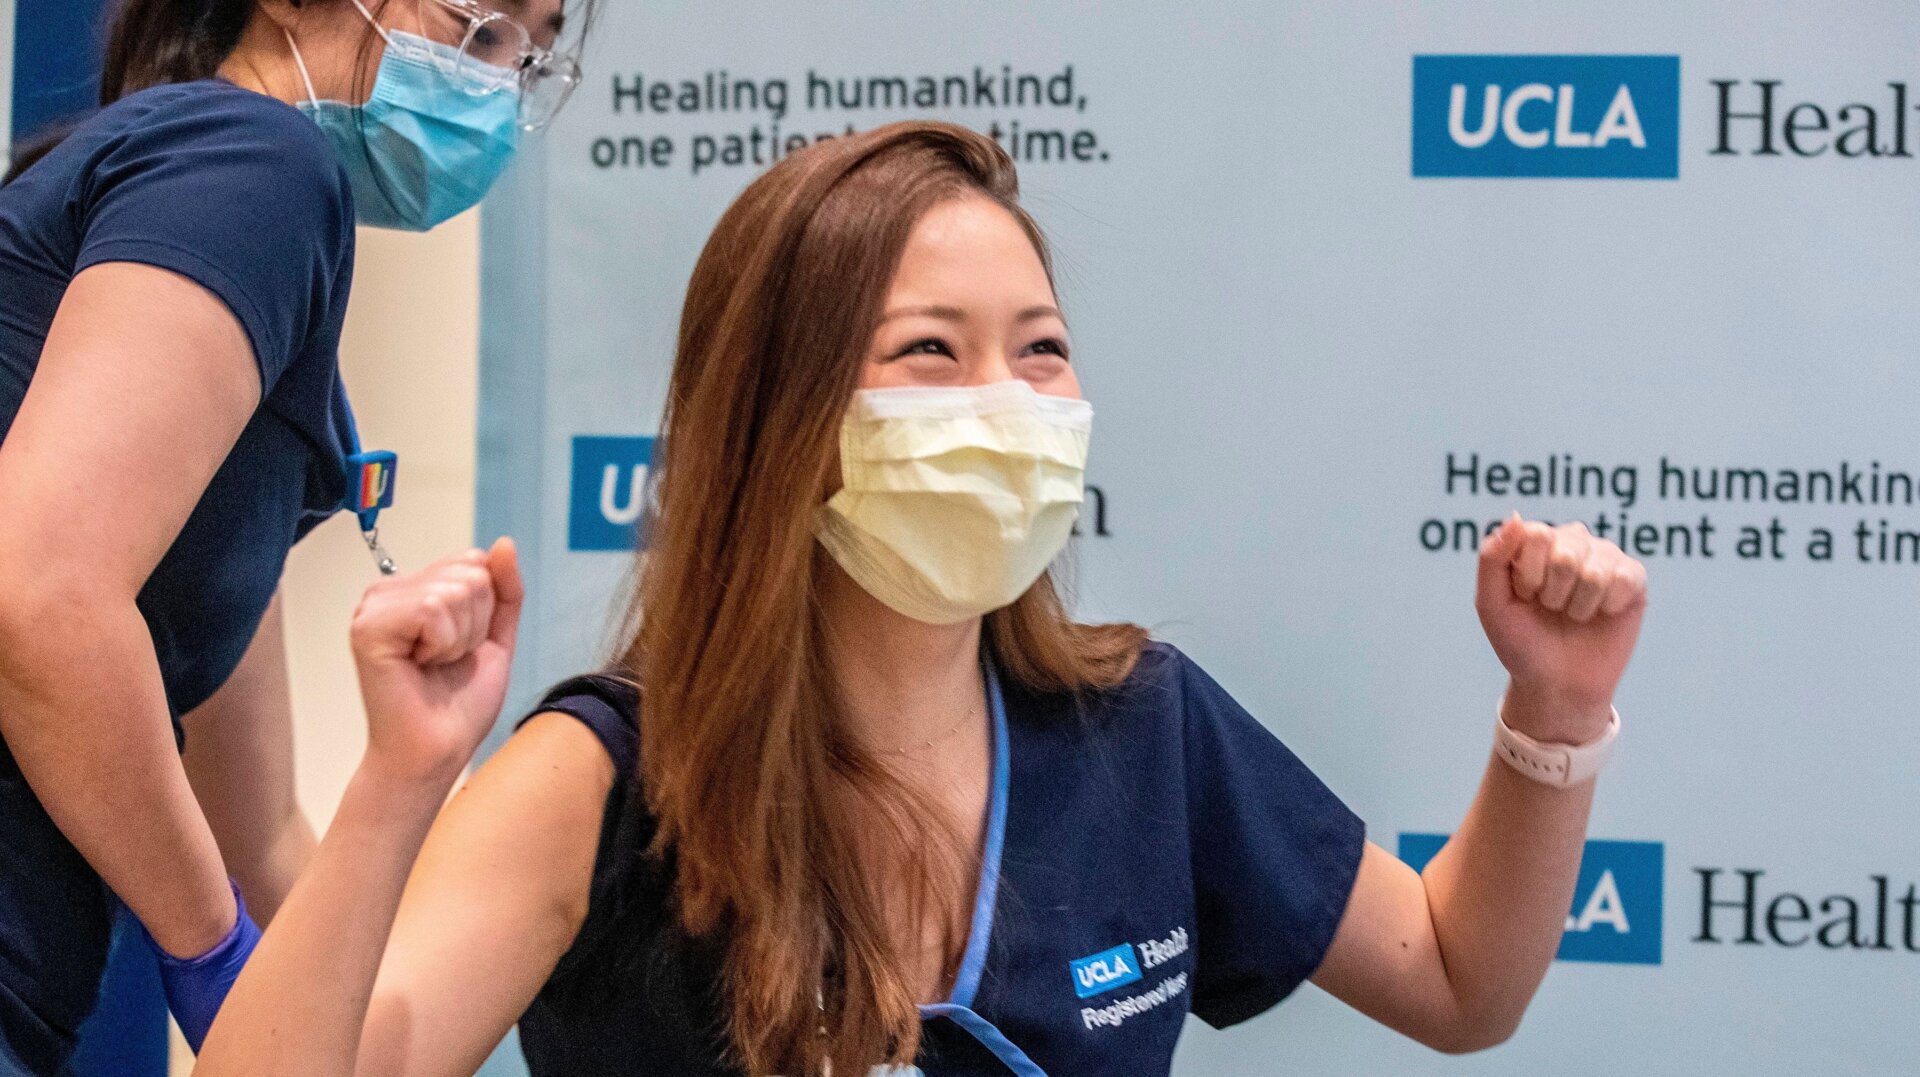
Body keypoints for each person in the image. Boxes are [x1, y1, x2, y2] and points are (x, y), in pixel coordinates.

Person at [192, 121, 1651, 1077]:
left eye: (1041, 350)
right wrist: (398, 783)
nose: (1008, 403)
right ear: (779, 418)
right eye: (932, 353)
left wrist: (1557, 708)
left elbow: (1464, 980)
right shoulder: (603, 779)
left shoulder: (1141, 729)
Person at [0, 0, 591, 1071]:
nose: (497, 87)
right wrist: (212, 955)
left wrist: (339, 1033)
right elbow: (39, 592)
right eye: (480, 29)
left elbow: (257, 824)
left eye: (530, 53)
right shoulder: (254, 165)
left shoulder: (188, 199)